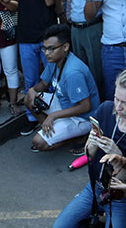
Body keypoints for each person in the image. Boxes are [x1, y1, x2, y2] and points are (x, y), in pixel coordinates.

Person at [52, 58, 126, 228]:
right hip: (95, 187)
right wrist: (91, 145)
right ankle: (98, 219)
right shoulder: (105, 109)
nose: (118, 107)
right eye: (117, 98)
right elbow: (89, 155)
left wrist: (119, 157)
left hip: (121, 198)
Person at [23, 24, 101, 152]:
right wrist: (32, 91)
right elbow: (43, 84)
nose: (47, 53)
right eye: (45, 48)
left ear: (65, 47)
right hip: (65, 104)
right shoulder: (55, 60)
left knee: (39, 143)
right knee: (29, 99)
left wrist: (53, 116)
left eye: (51, 49)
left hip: (83, 118)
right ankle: (53, 130)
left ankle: (80, 137)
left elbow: (86, 106)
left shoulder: (73, 72)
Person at [2, 0, 57, 135]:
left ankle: (55, 116)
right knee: (30, 81)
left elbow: (50, 1)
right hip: (26, 35)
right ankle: (32, 117)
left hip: (47, 36)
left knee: (52, 81)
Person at [52, 0, 109, 100]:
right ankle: (86, 110)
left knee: (97, 74)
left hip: (94, 25)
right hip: (75, 28)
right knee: (80, 73)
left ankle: (101, 112)